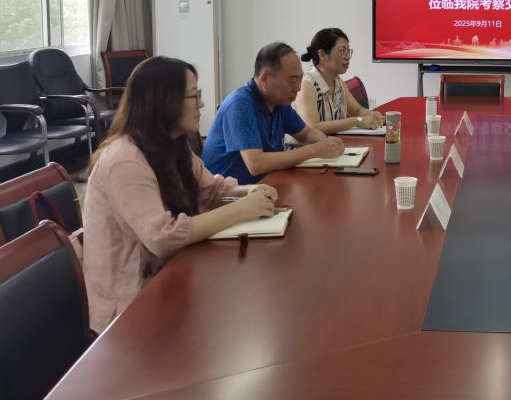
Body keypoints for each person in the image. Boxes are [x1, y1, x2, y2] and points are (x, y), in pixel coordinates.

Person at [81, 57, 279, 333]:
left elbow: (212, 190)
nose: (201, 104)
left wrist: (248, 191)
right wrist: (241, 209)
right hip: (128, 310)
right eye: (193, 96)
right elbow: (162, 238)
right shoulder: (124, 160)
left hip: (171, 274)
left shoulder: (171, 144)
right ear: (164, 101)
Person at [202, 42, 345, 184]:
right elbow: (256, 164)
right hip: (227, 194)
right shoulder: (240, 104)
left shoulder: (280, 102)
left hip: (263, 185)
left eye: (300, 79)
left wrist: (327, 142)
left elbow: (306, 133)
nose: (298, 88)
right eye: (292, 81)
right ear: (265, 79)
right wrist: (313, 150)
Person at [294, 28, 384, 134]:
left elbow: (357, 110)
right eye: (342, 51)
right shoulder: (307, 85)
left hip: (335, 142)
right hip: (312, 145)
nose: (347, 57)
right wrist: (357, 121)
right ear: (322, 55)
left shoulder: (338, 82)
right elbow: (312, 127)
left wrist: (376, 116)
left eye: (348, 51)